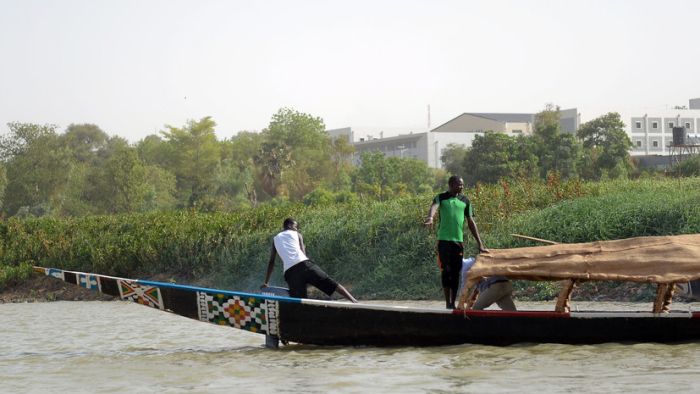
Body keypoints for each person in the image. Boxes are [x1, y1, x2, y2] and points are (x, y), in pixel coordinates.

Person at [424, 175, 487, 309]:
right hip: (444, 240)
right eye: (460, 184)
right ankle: (448, 303)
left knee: (456, 272)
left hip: (458, 241)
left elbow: (471, 222)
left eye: (463, 185)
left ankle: (454, 301)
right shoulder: (441, 197)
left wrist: (480, 243)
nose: (462, 187)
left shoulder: (465, 201)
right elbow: (434, 206)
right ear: (452, 185)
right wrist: (430, 218)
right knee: (445, 271)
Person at [263, 218, 358, 303]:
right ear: (289, 225)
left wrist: (266, 282)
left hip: (290, 273)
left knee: (300, 302)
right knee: (329, 282)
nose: (296, 229)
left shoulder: (275, 239)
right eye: (296, 226)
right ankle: (354, 301)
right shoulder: (297, 234)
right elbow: (303, 253)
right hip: (304, 264)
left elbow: (272, 262)